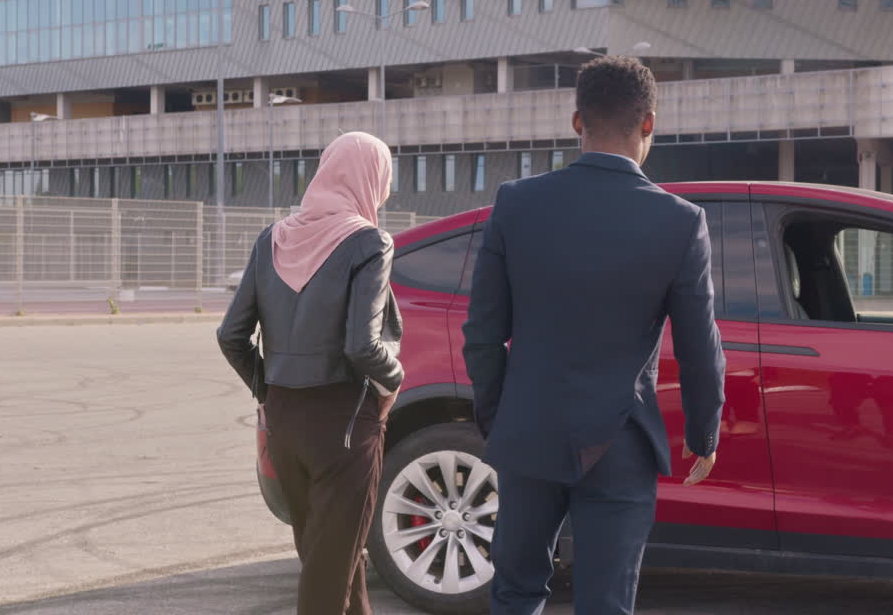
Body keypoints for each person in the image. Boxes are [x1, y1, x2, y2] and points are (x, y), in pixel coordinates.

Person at [463, 56, 726, 614]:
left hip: (528, 431)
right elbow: (701, 348)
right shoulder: (680, 221)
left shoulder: (516, 202)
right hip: (620, 441)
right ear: (648, 122)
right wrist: (704, 433)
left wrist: (497, 417)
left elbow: (482, 333)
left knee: (515, 591)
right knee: (607, 603)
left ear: (577, 121)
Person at [217, 131, 403, 615]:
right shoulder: (369, 242)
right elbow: (362, 345)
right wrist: (395, 379)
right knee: (327, 578)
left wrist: (266, 388)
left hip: (281, 422)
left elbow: (231, 336)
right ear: (371, 177)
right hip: (343, 422)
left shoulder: (271, 238)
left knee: (333, 560)